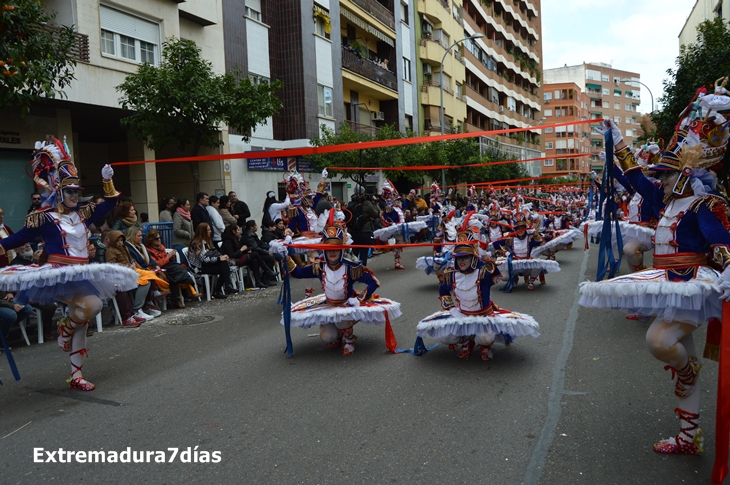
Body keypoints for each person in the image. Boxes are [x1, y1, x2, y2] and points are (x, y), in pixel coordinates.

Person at [579, 92, 730, 459]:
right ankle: (688, 436)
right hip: (668, 284)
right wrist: (617, 141)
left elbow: (722, 242)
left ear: (685, 176)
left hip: (692, 285)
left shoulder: (703, 204)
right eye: (661, 177)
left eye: (666, 177)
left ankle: (688, 371)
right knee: (676, 346)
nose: (659, 182)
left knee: (659, 340)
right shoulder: (669, 202)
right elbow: (636, 181)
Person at [0, 138, 138, 390]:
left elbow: (109, 203)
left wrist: (107, 180)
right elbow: (18, 239)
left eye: (77, 192)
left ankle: (76, 375)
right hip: (58, 274)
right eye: (70, 192)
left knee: (84, 319)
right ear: (57, 191)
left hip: (82, 272)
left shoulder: (82, 213)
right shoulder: (43, 217)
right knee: (93, 305)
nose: (75, 196)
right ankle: (65, 329)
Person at [416, 222, 539, 360]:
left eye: (466, 257)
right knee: (446, 337)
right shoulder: (450, 274)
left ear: (473, 258)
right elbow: (443, 291)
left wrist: (484, 257)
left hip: (483, 315)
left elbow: (498, 276)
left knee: (486, 337)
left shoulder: (483, 273)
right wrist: (453, 311)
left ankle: (484, 346)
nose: (462, 261)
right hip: (462, 314)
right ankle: (467, 341)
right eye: (459, 258)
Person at [285, 211, 401, 355]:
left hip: (347, 305)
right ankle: (338, 335)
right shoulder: (319, 267)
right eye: (329, 249)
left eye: (336, 248)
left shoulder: (351, 267)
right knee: (327, 337)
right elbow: (297, 273)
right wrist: (286, 258)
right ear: (324, 251)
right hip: (328, 304)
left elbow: (373, 282)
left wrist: (358, 299)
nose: (332, 252)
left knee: (342, 320)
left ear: (342, 249)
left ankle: (349, 339)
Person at [105, 230, 157, 322]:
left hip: (131, 272)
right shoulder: (110, 251)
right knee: (145, 282)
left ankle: (148, 302)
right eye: (117, 241)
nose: (120, 242)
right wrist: (126, 267)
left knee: (149, 275)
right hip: (122, 276)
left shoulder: (125, 248)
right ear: (113, 241)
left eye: (121, 240)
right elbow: (112, 265)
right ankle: (138, 308)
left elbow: (132, 260)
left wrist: (139, 267)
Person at [144, 229, 197, 308]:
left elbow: (166, 259)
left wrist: (171, 256)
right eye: (156, 239)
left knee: (180, 268)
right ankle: (180, 297)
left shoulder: (161, 247)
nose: (159, 240)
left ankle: (187, 292)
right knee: (173, 275)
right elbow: (157, 264)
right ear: (151, 240)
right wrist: (168, 257)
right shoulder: (149, 250)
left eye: (159, 238)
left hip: (167, 266)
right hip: (159, 269)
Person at [187, 222, 232, 299]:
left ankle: (223, 288)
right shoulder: (196, 243)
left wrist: (222, 257)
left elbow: (215, 253)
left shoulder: (207, 241)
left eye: (210, 229)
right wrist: (219, 259)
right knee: (223, 266)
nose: (210, 231)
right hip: (199, 268)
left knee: (223, 264)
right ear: (203, 232)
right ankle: (222, 288)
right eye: (208, 230)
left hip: (207, 264)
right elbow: (203, 259)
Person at [220, 225, 266, 289]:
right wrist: (242, 250)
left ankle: (258, 281)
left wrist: (247, 250)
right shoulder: (228, 242)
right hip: (231, 260)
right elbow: (232, 254)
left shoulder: (236, 239)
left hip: (238, 258)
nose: (240, 232)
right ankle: (266, 270)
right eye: (238, 230)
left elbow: (239, 249)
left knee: (254, 261)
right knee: (255, 254)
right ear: (233, 231)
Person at [346, 188, 380, 266]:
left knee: (354, 253)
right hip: (365, 231)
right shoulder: (367, 203)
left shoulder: (350, 203)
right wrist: (374, 203)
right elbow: (375, 214)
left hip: (353, 232)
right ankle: (362, 271)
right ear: (364, 193)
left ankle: (353, 270)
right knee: (363, 254)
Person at [242, 220, 278, 287]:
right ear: (251, 227)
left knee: (270, 257)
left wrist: (268, 247)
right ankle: (264, 277)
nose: (257, 227)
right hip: (251, 255)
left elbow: (260, 244)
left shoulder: (253, 234)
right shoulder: (249, 236)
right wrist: (266, 252)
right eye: (255, 225)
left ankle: (265, 278)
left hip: (256, 254)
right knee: (267, 258)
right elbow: (255, 247)